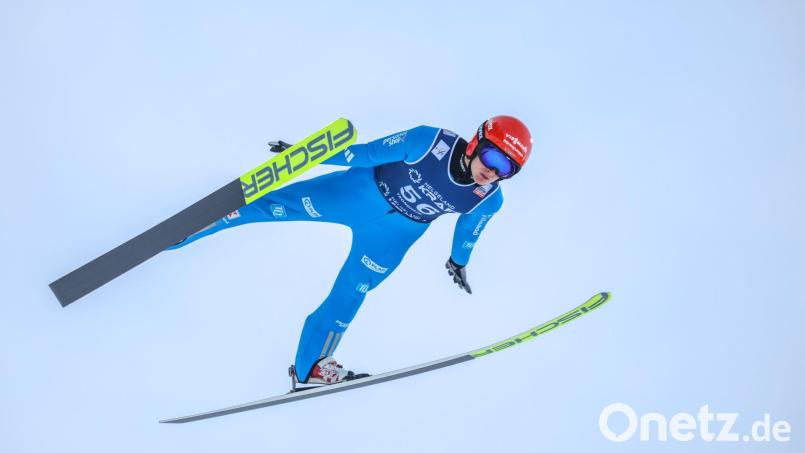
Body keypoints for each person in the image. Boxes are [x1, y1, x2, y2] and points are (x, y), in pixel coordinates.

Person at [169, 115, 533, 386]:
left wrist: (458, 261)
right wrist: (305, 155)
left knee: (350, 295)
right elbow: (365, 154)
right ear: (475, 143)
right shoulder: (428, 141)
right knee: (274, 204)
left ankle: (311, 366)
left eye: (507, 169)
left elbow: (469, 230)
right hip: (357, 194)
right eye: (492, 158)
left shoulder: (488, 199)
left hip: (393, 236)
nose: (494, 172)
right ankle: (197, 226)